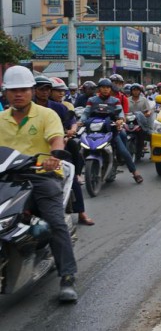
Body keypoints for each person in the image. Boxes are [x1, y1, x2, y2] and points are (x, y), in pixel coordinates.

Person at [0, 66, 79, 302]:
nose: (18, 94)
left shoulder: (47, 115)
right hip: (7, 175)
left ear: (32, 91)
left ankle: (67, 277)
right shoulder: (1, 119)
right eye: (13, 90)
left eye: (23, 89)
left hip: (41, 174)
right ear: (6, 93)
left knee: (55, 222)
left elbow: (56, 138)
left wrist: (55, 154)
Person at [47, 78, 94, 226]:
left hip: (60, 144)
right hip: (35, 149)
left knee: (71, 172)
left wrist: (70, 132)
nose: (61, 93)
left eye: (62, 91)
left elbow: (72, 122)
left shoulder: (63, 106)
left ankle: (81, 212)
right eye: (57, 90)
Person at [79, 78, 143, 184]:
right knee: (81, 148)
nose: (105, 90)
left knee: (123, 151)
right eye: (103, 87)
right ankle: (77, 174)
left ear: (110, 89)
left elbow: (120, 113)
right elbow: (86, 113)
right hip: (93, 130)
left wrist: (120, 120)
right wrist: (80, 121)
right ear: (99, 89)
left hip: (110, 130)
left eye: (107, 88)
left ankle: (135, 173)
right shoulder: (92, 100)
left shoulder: (115, 101)